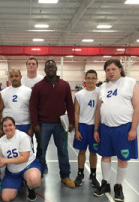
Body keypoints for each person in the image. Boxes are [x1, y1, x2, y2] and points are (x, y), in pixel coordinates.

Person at [93, 59, 139, 202]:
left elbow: (137, 107)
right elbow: (98, 110)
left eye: (113, 69)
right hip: (105, 128)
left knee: (122, 159)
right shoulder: (102, 87)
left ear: (120, 69)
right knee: (105, 156)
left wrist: (133, 128)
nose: (110, 72)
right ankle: (105, 183)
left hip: (124, 128)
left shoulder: (131, 83)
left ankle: (118, 187)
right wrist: (96, 129)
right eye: (108, 70)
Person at [30, 59, 75, 188]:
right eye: (48, 67)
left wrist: (71, 121)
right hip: (43, 124)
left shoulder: (65, 85)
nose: (50, 69)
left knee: (63, 151)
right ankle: (39, 176)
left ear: (56, 69)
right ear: (45, 70)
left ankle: (65, 176)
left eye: (52, 67)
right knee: (41, 151)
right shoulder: (38, 86)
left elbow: (70, 105)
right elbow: (32, 106)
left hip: (61, 125)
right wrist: (35, 123)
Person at [0, 117, 41, 202]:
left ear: (15, 126)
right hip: (12, 172)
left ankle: (31, 189)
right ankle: (21, 182)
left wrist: (6, 161)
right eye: (5, 126)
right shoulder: (1, 141)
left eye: (10, 125)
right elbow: (2, 161)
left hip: (28, 166)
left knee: (34, 179)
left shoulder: (23, 137)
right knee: (6, 198)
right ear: (2, 128)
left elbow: (24, 158)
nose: (8, 128)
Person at [73, 70, 100, 188]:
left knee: (93, 153)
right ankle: (80, 174)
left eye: (93, 78)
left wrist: (98, 129)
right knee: (82, 152)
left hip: (95, 127)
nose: (90, 80)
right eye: (88, 78)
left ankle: (93, 175)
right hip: (83, 127)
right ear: (85, 79)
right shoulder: (79, 95)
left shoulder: (100, 93)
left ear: (96, 79)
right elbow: (76, 114)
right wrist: (77, 130)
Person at [21, 57, 46, 173]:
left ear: (37, 66)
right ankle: (28, 164)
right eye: (29, 63)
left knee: (41, 142)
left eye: (33, 64)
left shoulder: (42, 80)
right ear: (26, 66)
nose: (31, 65)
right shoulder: (22, 80)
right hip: (25, 117)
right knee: (27, 143)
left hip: (40, 116)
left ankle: (42, 164)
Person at [0, 69, 32, 137]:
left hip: (25, 125)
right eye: (12, 76)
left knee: (25, 147)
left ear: (20, 77)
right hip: (8, 126)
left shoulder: (29, 91)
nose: (14, 78)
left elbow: (33, 111)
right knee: (9, 147)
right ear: (9, 77)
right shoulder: (3, 92)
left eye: (16, 76)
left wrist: (31, 128)